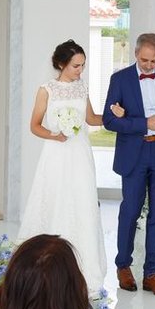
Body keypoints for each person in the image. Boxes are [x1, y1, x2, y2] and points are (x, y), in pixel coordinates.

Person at [16, 40, 110, 289]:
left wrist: (115, 116)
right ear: (61, 64)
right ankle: (46, 267)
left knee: (82, 202)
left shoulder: (82, 88)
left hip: (80, 153)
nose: (80, 70)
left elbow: (91, 119)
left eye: (83, 65)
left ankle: (84, 269)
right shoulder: (46, 90)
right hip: (56, 154)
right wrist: (54, 135)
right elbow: (34, 125)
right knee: (55, 200)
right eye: (76, 66)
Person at [100, 32, 155, 296]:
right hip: (134, 154)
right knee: (130, 211)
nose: (149, 65)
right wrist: (143, 123)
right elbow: (109, 121)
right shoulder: (120, 79)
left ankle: (152, 273)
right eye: (144, 60)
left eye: (153, 61)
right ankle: (123, 266)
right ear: (136, 54)